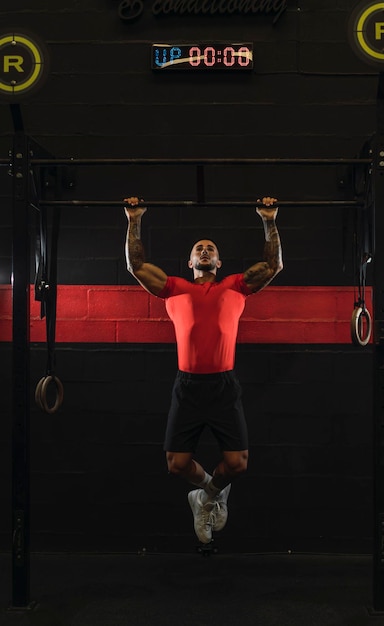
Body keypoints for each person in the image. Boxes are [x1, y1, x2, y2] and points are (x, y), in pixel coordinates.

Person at [124, 196, 283, 544]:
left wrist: (268, 220)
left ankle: (208, 496)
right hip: (188, 386)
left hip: (224, 385)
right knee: (176, 464)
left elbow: (273, 267)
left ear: (219, 261)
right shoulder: (173, 288)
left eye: (211, 248)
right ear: (191, 260)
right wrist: (134, 219)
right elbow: (136, 266)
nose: (205, 251)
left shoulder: (236, 286)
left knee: (238, 463)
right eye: (199, 248)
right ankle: (209, 492)